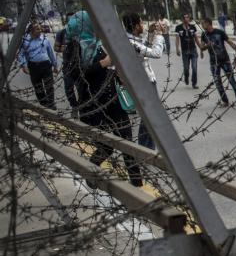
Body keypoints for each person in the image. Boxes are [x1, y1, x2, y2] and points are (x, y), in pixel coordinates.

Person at [65, 11, 141, 187]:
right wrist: (103, 64)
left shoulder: (97, 44)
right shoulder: (74, 47)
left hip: (112, 99)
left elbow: (106, 68)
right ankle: (91, 174)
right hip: (93, 103)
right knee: (106, 145)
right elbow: (75, 75)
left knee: (128, 143)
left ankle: (137, 185)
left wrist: (115, 73)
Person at [124, 12, 166, 152]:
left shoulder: (133, 39)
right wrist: (159, 35)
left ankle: (147, 148)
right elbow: (155, 53)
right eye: (141, 23)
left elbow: (144, 49)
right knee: (150, 117)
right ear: (135, 26)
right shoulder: (130, 42)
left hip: (146, 81)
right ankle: (145, 149)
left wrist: (150, 32)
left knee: (149, 117)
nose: (143, 25)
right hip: (144, 83)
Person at [199, 17, 236, 107]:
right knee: (217, 82)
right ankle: (225, 101)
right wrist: (207, 46)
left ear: (208, 23)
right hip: (214, 62)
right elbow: (202, 47)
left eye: (203, 23)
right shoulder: (204, 35)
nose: (202, 25)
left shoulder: (219, 32)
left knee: (231, 80)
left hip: (225, 60)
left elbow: (229, 42)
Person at [17, 21, 59, 109]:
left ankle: (51, 103)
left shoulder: (45, 39)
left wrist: (55, 65)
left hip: (46, 65)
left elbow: (50, 53)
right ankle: (44, 103)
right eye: (37, 29)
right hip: (34, 66)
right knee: (38, 86)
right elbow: (21, 54)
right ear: (31, 31)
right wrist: (23, 65)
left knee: (49, 85)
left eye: (40, 29)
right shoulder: (25, 41)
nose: (40, 30)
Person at [53, 22, 81, 112]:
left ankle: (82, 105)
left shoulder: (81, 32)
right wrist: (63, 48)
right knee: (69, 89)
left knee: (81, 88)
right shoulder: (61, 33)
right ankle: (74, 106)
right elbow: (56, 48)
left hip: (80, 65)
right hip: (68, 66)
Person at [174, 12, 202, 88]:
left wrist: (201, 49)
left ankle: (194, 83)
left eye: (187, 17)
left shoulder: (193, 27)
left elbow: (196, 38)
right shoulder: (178, 28)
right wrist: (177, 49)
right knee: (186, 69)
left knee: (194, 67)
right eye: (185, 18)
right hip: (185, 51)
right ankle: (186, 77)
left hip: (193, 50)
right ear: (182, 19)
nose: (186, 19)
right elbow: (177, 39)